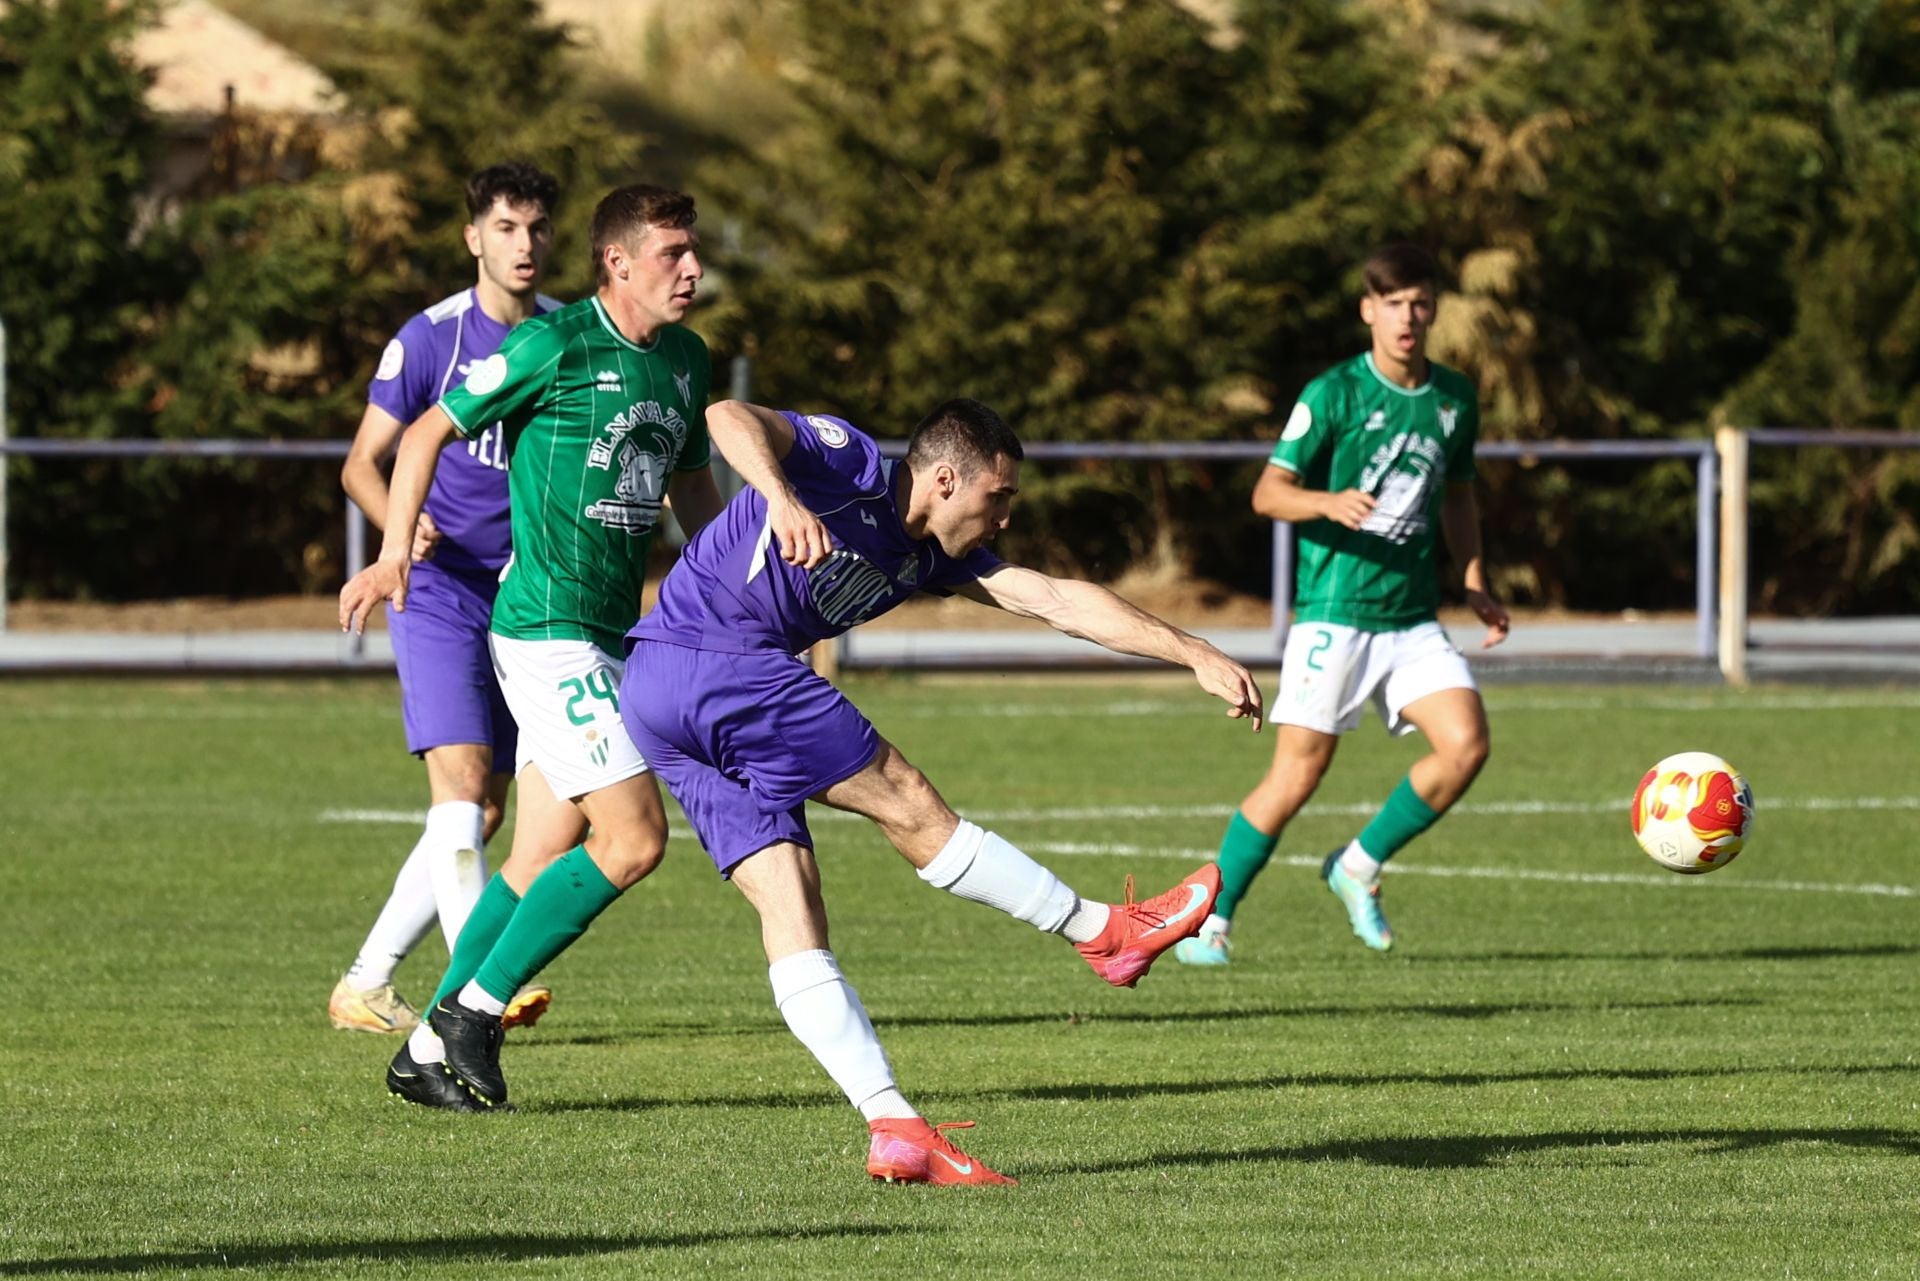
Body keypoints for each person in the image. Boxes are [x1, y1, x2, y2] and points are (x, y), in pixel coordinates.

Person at [617, 396, 1266, 1183]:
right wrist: (783, 499)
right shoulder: (845, 461)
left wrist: (1190, 648)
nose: (1002, 519)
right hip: (720, 660)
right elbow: (726, 414)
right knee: (908, 799)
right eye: (999, 498)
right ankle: (1105, 933)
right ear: (948, 479)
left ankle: (893, 1125)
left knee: (792, 904)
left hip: (656, 692)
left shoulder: (932, 558)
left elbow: (1056, 598)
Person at [338, 183, 726, 1112]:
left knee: (537, 849)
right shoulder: (552, 345)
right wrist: (394, 551)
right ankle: (476, 1008)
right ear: (617, 263)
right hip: (546, 633)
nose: (694, 270)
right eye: (673, 253)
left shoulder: (684, 359)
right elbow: (425, 432)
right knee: (632, 840)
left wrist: (732, 602)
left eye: (694, 251)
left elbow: (694, 493)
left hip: (607, 632)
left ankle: (427, 1042)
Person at [1175, 242, 1510, 966]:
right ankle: (1212, 917)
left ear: (1433, 310)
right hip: (1335, 610)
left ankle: (1357, 864)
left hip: (1413, 617)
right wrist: (1327, 502)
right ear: (1369, 310)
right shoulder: (1333, 394)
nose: (1408, 318)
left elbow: (1458, 495)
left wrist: (1476, 579)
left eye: (1420, 303)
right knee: (1296, 775)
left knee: (1467, 743)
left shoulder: (1453, 397)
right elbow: (1268, 493)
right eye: (1394, 305)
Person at [329, 162, 562, 1036]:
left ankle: (366, 982)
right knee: (461, 788)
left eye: (537, 228)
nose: (524, 244)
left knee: (487, 807)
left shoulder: (564, 338)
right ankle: (477, 988)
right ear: (473, 238)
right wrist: (403, 523)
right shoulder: (430, 339)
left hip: (527, 601)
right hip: (434, 589)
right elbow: (362, 462)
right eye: (506, 227)